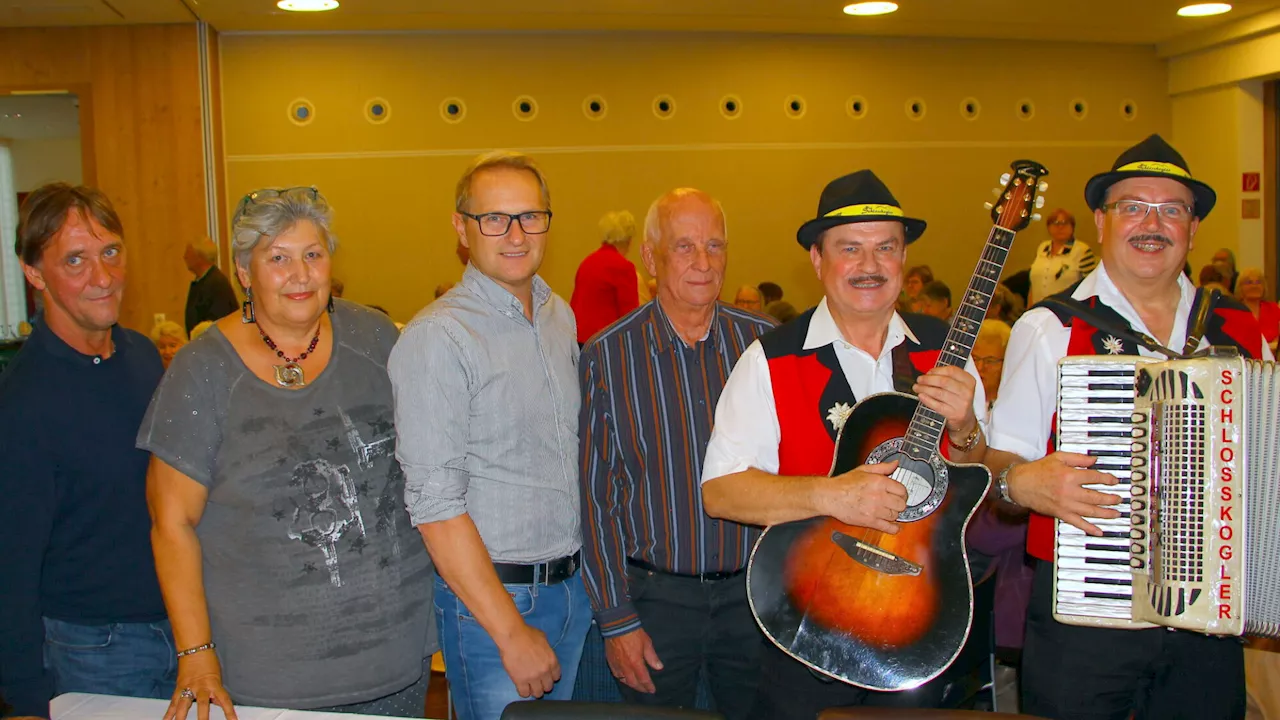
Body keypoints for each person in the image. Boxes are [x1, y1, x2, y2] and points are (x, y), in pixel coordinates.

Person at [983, 134, 1271, 720]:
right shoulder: (1050, 326)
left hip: (1211, 620)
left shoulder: (1239, 328)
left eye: (1172, 209)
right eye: (1132, 206)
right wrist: (1022, 484)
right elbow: (994, 465)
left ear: (1193, 228)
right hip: (1086, 616)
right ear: (1101, 221)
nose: (1152, 223)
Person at [701, 170, 988, 719]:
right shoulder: (771, 360)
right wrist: (831, 496)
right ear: (817, 259)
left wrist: (966, 428)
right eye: (850, 248)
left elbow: (978, 474)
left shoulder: (948, 351)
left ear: (904, 257)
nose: (870, 265)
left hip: (922, 617)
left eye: (886, 247)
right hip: (809, 621)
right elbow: (721, 492)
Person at [139, 187, 436, 719]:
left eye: (313, 255)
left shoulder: (376, 339)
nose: (300, 274)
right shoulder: (202, 372)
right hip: (270, 677)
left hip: (395, 660)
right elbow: (171, 523)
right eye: (277, 258)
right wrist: (197, 656)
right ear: (244, 272)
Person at [389, 151, 591, 720]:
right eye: (494, 219)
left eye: (530, 217)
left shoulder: (559, 316)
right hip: (497, 606)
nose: (515, 234)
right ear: (462, 227)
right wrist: (509, 630)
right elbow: (434, 505)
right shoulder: (439, 338)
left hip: (572, 590)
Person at [579, 189, 775, 720]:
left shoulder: (767, 348)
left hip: (756, 599)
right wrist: (616, 620)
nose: (704, 262)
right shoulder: (607, 356)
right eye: (685, 247)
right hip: (656, 602)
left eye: (715, 245)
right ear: (650, 256)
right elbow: (597, 502)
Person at [0, 183, 174, 719]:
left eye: (111, 252)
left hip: (181, 628)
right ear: (34, 274)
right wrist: (28, 694)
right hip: (93, 651)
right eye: (75, 260)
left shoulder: (142, 356)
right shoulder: (25, 402)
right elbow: (11, 563)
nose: (103, 277)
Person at [569, 210, 641, 345]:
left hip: (578, 339)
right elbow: (630, 315)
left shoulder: (587, 262)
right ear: (629, 240)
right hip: (605, 342)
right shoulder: (623, 267)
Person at [1027, 209, 1097, 305]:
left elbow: (1091, 286)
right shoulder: (1042, 247)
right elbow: (1034, 284)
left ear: (1072, 227)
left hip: (1066, 311)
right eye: (1055, 223)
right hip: (1038, 309)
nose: (1060, 227)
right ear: (1048, 227)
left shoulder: (1082, 250)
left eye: (1065, 223)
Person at [182, 236, 239, 335]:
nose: (184, 257)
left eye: (188, 253)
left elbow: (218, 323)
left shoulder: (217, 284)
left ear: (199, 256)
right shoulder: (202, 281)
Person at [1236, 267, 1279, 353]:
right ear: (1240, 288)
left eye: (1258, 282)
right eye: (1249, 282)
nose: (1254, 286)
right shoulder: (1235, 311)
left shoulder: (1274, 309)